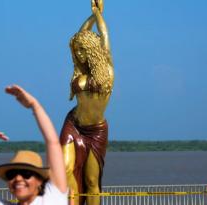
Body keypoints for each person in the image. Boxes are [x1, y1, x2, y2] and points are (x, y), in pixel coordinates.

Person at [0, 85, 68, 205]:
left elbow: (52, 143)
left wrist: (35, 106)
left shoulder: (54, 197)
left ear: (40, 181)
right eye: (11, 175)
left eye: (26, 174)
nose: (18, 178)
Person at [60, 0, 114, 204]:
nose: (80, 55)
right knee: (66, 170)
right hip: (73, 123)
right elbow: (79, 35)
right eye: (77, 51)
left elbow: (105, 36)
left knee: (92, 181)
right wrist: (90, 16)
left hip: (96, 130)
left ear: (92, 49)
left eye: (83, 50)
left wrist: (98, 15)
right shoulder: (79, 71)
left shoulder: (107, 71)